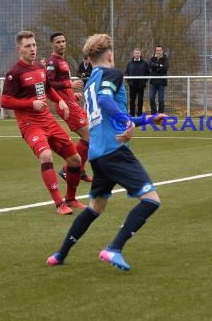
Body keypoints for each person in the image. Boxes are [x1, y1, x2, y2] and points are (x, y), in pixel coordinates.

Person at [47, 33, 167, 271]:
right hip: (115, 151)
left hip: (97, 154)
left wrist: (146, 119)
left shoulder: (92, 80)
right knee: (151, 201)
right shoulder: (113, 74)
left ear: (89, 60)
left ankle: (60, 254)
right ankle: (114, 248)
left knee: (95, 208)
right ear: (110, 55)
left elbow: (105, 112)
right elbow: (105, 102)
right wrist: (126, 122)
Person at [0, 30, 84, 215]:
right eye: (27, 46)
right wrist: (30, 103)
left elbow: (47, 89)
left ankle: (71, 199)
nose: (32, 49)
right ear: (19, 50)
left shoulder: (40, 68)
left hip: (48, 121)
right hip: (30, 125)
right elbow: (4, 101)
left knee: (75, 159)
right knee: (46, 156)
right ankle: (59, 204)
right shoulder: (14, 73)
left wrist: (59, 100)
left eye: (34, 45)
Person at [47, 32, 92, 183]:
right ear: (52, 45)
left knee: (91, 133)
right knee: (89, 136)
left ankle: (79, 169)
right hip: (65, 105)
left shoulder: (62, 60)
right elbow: (49, 84)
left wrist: (73, 94)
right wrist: (69, 85)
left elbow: (62, 83)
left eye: (63, 41)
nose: (62, 44)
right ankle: (69, 170)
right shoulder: (52, 62)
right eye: (58, 42)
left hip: (71, 102)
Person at [125, 47, 150, 116]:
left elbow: (148, 73)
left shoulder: (144, 63)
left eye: (138, 53)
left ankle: (139, 114)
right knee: (132, 100)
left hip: (141, 85)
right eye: (135, 53)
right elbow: (127, 73)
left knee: (140, 100)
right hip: (132, 85)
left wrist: (144, 82)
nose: (137, 54)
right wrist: (129, 82)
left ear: (140, 54)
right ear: (133, 54)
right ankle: (132, 114)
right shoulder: (130, 63)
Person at [149, 45, 169, 113]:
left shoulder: (165, 59)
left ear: (162, 51)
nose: (158, 52)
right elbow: (150, 65)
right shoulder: (152, 58)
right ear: (155, 51)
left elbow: (165, 68)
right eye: (157, 50)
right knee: (151, 98)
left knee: (161, 100)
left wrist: (156, 67)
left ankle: (160, 114)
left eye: (160, 50)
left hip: (162, 82)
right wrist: (159, 66)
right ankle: (154, 114)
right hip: (153, 82)